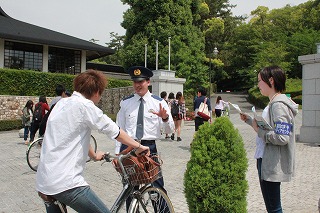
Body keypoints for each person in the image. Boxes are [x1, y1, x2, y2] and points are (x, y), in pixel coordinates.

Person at [36, 69, 150, 213]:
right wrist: (138, 146)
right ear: (96, 92)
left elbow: (74, 136)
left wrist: (94, 155)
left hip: (44, 181)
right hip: (66, 183)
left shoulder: (61, 103)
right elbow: (115, 131)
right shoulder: (86, 106)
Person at [240, 65, 298, 213]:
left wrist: (261, 132)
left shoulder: (278, 105)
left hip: (271, 162)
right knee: (273, 207)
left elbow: (282, 137)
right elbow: (268, 128)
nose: (258, 84)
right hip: (266, 159)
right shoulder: (274, 102)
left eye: (260, 80)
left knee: (274, 208)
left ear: (270, 80)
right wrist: (250, 121)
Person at [115, 66, 174, 210]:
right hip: (128, 148)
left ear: (148, 82)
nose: (137, 85)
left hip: (149, 148)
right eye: (135, 82)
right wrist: (118, 154)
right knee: (130, 188)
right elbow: (119, 129)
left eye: (141, 81)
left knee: (156, 186)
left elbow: (170, 129)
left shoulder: (159, 102)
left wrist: (165, 118)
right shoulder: (126, 102)